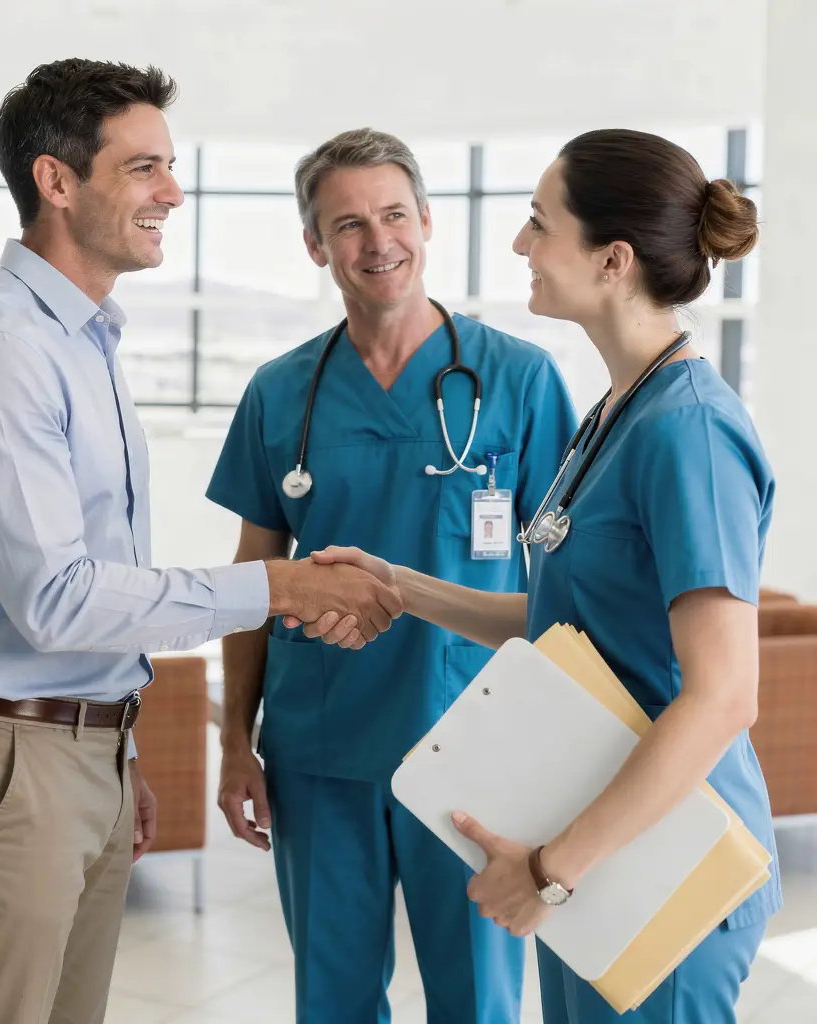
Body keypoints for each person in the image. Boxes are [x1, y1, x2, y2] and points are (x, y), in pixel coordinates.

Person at [0, 60, 401, 1024]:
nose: (173, 191)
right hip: (9, 761)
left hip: (71, 749)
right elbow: (60, 598)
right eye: (143, 168)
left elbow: (93, 588)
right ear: (56, 180)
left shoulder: (83, 342)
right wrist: (280, 590)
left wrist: (110, 753)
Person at [306, 129, 782, 1024]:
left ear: (612, 259)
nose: (520, 244)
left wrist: (551, 873)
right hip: (599, 845)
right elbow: (565, 624)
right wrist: (399, 586)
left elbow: (722, 697)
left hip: (666, 856)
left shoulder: (690, 434)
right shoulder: (616, 412)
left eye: (538, 222)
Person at [206, 127, 577, 1023]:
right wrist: (233, 742)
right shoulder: (279, 391)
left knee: (477, 1001)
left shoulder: (519, 381)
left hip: (479, 751)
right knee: (331, 1000)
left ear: (427, 221)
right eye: (348, 224)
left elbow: (571, 587)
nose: (378, 243)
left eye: (394, 215)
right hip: (320, 749)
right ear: (314, 244)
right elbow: (254, 578)